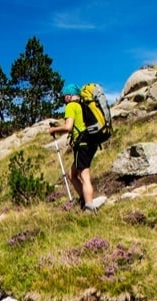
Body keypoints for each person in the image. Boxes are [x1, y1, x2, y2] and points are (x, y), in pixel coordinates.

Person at [49, 83, 99, 213]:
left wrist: (54, 129)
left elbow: (68, 127)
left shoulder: (71, 106)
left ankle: (89, 206)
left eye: (65, 95)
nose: (63, 98)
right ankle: (84, 199)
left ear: (70, 95)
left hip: (82, 143)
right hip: (90, 142)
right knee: (71, 174)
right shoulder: (82, 105)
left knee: (84, 175)